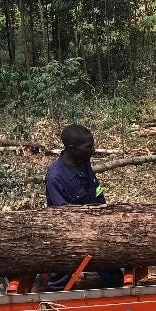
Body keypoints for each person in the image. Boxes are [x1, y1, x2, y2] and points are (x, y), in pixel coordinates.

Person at [45, 124, 123, 291]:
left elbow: (96, 190)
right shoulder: (56, 177)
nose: (93, 150)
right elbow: (65, 217)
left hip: (94, 229)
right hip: (68, 236)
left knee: (114, 274)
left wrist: (104, 214)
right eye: (88, 147)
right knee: (62, 274)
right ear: (72, 148)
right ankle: (57, 299)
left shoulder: (83, 162)